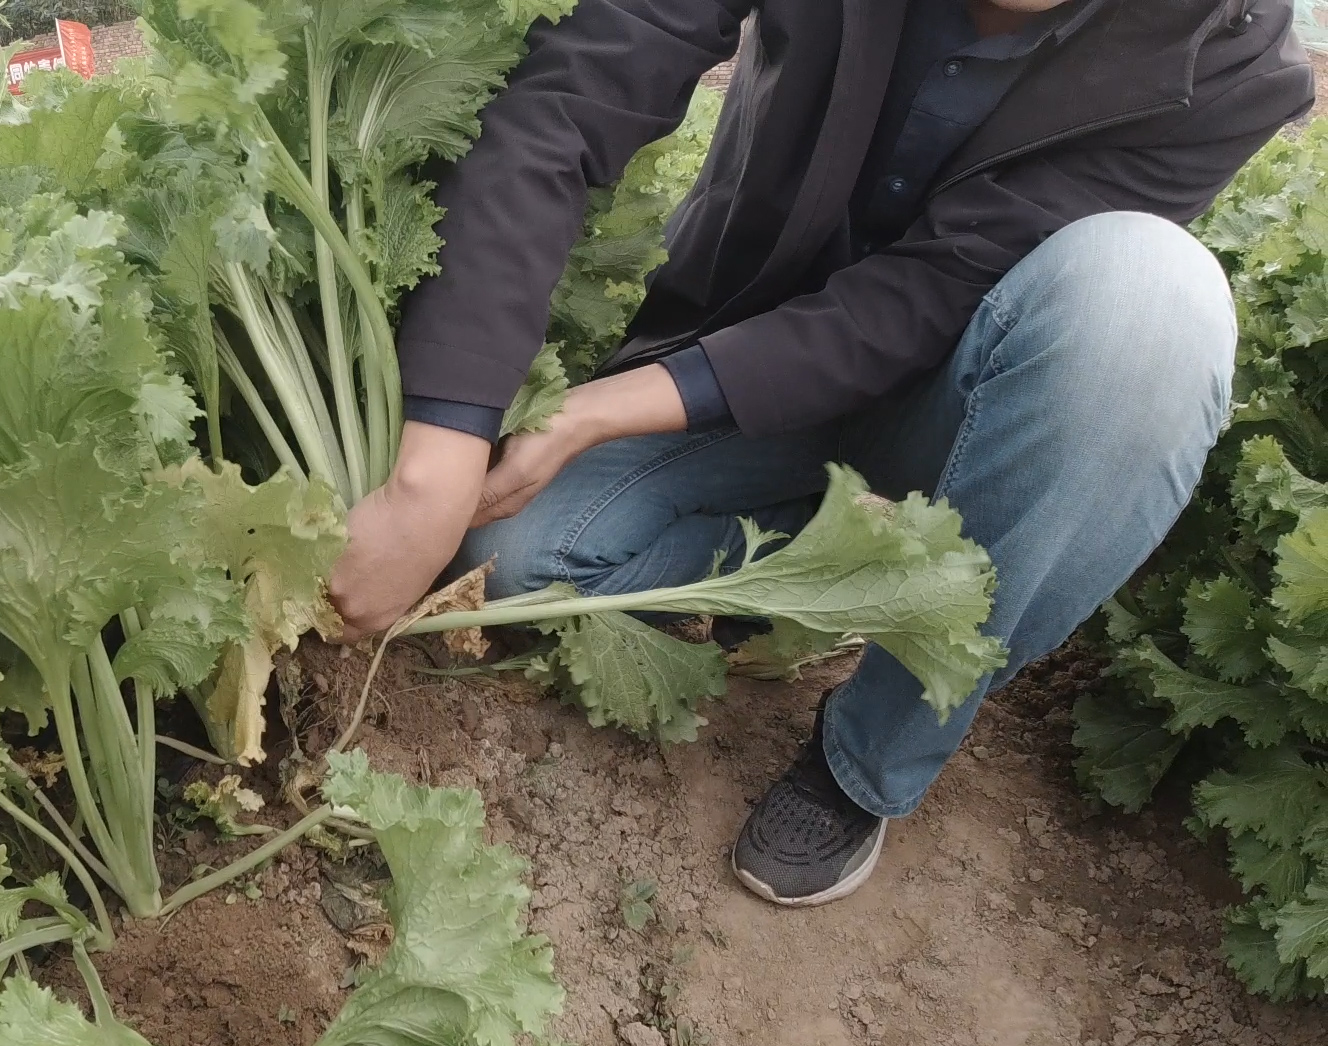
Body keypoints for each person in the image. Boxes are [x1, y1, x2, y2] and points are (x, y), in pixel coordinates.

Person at [327, 0, 1316, 907]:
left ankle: (865, 762)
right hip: (743, 361)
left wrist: (588, 415)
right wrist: (442, 447)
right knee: (517, 562)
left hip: (965, 400)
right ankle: (833, 574)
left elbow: (925, 297)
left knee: (1152, 302)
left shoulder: (1226, 57)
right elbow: (579, 89)